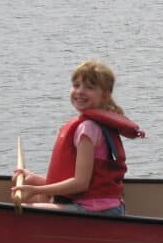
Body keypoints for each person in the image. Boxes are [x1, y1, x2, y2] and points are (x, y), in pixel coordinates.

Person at [12, 60, 145, 216]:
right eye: (76, 85)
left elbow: (81, 184)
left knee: (28, 209)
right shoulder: (100, 124)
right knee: (34, 189)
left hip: (96, 209)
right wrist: (34, 179)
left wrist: (36, 189)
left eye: (89, 87)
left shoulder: (87, 129)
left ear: (105, 95)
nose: (80, 91)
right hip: (104, 205)